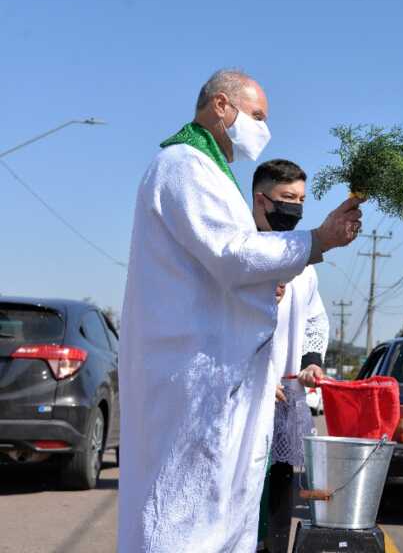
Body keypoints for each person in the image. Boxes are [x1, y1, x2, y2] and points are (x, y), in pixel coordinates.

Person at [118, 68, 361, 553]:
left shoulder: (212, 172)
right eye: (257, 115)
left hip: (217, 376)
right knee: (182, 511)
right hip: (192, 375)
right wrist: (316, 240)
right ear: (221, 106)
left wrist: (265, 284)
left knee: (216, 510)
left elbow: (228, 266)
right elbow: (230, 254)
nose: (263, 128)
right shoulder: (183, 165)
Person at [250, 159, 329, 553]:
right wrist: (257, 380)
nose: (295, 208)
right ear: (261, 200)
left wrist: (311, 362)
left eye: (300, 200)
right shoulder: (238, 252)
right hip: (243, 398)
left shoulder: (302, 264)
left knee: (279, 497)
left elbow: (315, 318)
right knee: (243, 499)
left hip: (285, 399)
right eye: (286, 198)